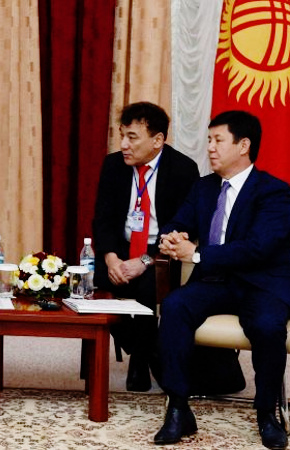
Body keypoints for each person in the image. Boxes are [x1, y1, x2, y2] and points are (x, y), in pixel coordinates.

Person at [154, 110, 290, 450]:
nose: (210, 148)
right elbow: (176, 222)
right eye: (209, 140)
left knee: (266, 326)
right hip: (217, 281)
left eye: (218, 140)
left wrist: (198, 254)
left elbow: (259, 248)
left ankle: (266, 412)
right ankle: (178, 407)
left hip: (262, 282)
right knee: (175, 307)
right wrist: (170, 239)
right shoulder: (204, 187)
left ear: (243, 145)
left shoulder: (275, 192)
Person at [92, 102, 200, 391]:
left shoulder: (183, 169)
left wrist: (144, 261)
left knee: (144, 288)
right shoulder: (113, 165)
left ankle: (140, 360)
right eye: (122, 136)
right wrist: (113, 259)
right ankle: (148, 351)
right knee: (98, 284)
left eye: (132, 137)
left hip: (160, 252)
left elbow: (185, 227)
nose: (124, 145)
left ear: (158, 140)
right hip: (121, 246)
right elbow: (102, 219)